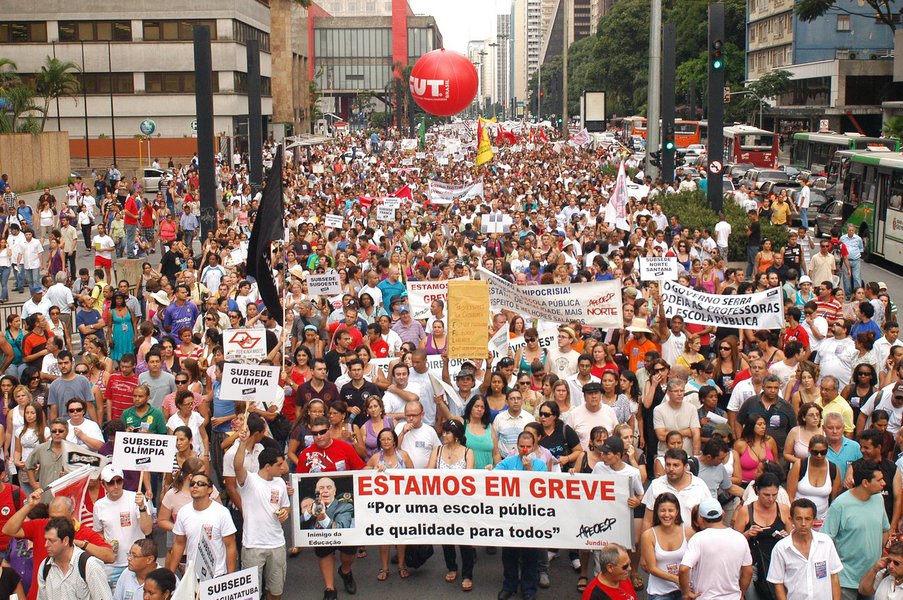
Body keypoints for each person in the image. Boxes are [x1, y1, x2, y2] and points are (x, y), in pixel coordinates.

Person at [233, 428, 289, 600]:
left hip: (277, 544)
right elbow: (237, 466)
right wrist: (242, 443)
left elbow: (285, 506)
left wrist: (285, 513)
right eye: (279, 464)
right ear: (267, 466)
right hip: (253, 545)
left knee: (276, 591)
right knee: (250, 594)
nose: (284, 467)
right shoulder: (249, 481)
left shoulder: (280, 483)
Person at [822, 460, 891, 600]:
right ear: (865, 483)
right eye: (879, 480)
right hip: (846, 580)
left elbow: (885, 529)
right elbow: (825, 539)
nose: (884, 483)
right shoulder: (840, 505)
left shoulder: (878, 499)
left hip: (872, 578)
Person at [496, 431, 546, 600]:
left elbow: (543, 488)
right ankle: (509, 585)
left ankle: (528, 589)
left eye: (528, 447)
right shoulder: (508, 462)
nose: (525, 450)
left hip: (531, 515)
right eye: (522, 446)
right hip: (511, 515)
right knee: (509, 554)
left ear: (534, 447)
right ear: (517, 447)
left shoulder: (540, 464)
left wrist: (529, 469)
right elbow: (493, 477)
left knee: (530, 555)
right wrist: (489, 470)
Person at [766, 498, 843, 600]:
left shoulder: (826, 542)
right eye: (798, 518)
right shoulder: (781, 548)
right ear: (791, 519)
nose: (803, 524)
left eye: (807, 519)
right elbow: (778, 583)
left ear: (814, 520)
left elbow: (834, 577)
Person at [91, 466, 153, 590]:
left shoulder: (136, 498)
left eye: (119, 481)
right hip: (113, 565)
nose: (116, 486)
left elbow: (147, 530)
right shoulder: (99, 506)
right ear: (103, 484)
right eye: (111, 482)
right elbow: (98, 532)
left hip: (137, 563)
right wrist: (105, 544)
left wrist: (142, 507)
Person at [679, 498, 753, 600]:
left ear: (701, 518)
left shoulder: (698, 538)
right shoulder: (740, 537)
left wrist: (685, 593)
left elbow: (683, 569)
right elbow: (748, 572)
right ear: (723, 514)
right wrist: (741, 593)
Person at [166, 470, 237, 577]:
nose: (195, 486)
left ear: (210, 490)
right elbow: (179, 544)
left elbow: (230, 545)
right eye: (192, 484)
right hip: (192, 575)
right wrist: (171, 573)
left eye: (200, 484)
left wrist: (230, 577)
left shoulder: (222, 513)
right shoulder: (183, 512)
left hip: (217, 574)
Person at [37, 517, 111, 600]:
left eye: (51, 541)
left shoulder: (89, 565)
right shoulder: (45, 566)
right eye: (45, 540)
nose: (46, 545)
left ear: (65, 541)